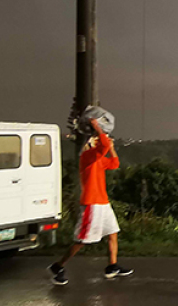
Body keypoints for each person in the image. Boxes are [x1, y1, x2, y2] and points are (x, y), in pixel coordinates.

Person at [48, 108, 132, 285]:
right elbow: (103, 147)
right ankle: (58, 266)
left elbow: (115, 163)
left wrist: (113, 148)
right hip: (92, 203)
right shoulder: (87, 157)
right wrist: (98, 128)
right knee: (82, 240)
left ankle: (112, 266)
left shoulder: (98, 160)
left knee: (113, 233)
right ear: (89, 143)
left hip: (102, 202)